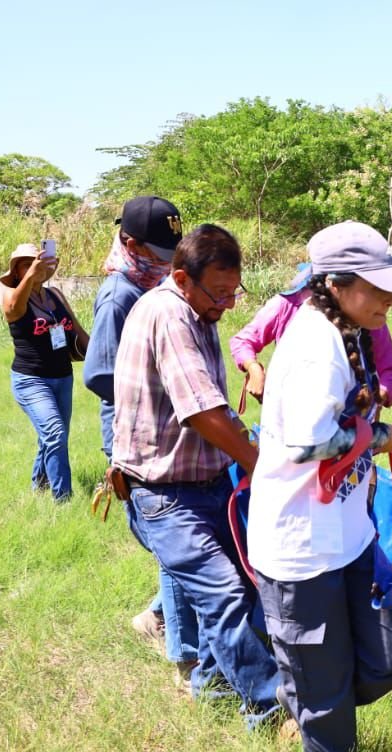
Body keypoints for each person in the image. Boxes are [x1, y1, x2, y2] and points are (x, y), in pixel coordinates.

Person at [247, 221, 392, 752]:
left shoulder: (344, 331)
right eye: (377, 287)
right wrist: (381, 437)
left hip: (347, 535)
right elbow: (307, 440)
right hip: (301, 547)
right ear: (337, 283)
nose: (390, 300)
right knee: (325, 692)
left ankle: (302, 699)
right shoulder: (315, 346)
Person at [112, 223, 280, 723]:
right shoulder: (169, 314)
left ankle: (211, 688)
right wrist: (260, 463)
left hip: (204, 485)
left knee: (240, 588)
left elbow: (215, 409)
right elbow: (203, 413)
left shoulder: (196, 310)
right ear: (182, 278)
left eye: (235, 292)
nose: (228, 304)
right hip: (164, 496)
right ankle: (273, 709)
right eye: (219, 292)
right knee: (224, 593)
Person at [82, 195, 198, 683]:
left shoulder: (155, 289)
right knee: (176, 544)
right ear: (130, 244)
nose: (166, 266)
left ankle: (155, 616)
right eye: (158, 254)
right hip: (136, 438)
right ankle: (186, 656)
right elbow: (103, 375)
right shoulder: (119, 297)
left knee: (183, 539)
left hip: (170, 431)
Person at [229, 264, 392, 407]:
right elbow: (243, 341)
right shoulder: (286, 305)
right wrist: (253, 368)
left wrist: (374, 398)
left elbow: (390, 371)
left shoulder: (367, 317)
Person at [1, 242, 90, 502]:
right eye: (26, 264)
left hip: (63, 377)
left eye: (36, 262)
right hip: (31, 379)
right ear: (16, 271)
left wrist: (102, 359)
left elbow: (78, 330)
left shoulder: (56, 296)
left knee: (52, 436)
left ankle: (38, 486)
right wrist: (32, 275)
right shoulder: (11, 295)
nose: (33, 267)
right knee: (55, 433)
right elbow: (14, 309)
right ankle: (63, 500)